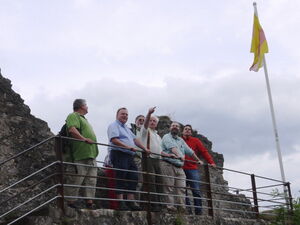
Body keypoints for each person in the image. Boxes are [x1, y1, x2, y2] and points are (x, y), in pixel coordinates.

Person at [107, 107, 150, 211]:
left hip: (129, 155)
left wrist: (144, 148)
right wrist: (127, 147)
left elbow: (135, 140)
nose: (125, 116)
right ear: (117, 115)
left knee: (134, 177)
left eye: (126, 114)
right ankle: (121, 202)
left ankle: (131, 201)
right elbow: (114, 140)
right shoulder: (114, 125)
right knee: (120, 176)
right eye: (123, 114)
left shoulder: (126, 128)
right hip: (119, 153)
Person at [160, 122, 203, 213]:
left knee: (181, 188)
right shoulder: (166, 137)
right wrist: (180, 155)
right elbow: (172, 148)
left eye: (177, 126)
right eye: (173, 126)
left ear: (179, 129)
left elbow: (189, 151)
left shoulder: (180, 140)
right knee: (169, 187)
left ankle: (181, 208)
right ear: (170, 128)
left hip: (179, 166)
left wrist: (198, 160)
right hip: (168, 164)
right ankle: (170, 208)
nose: (175, 127)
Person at [64, 99, 98, 209]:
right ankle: (70, 202)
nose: (87, 107)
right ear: (81, 106)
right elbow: (72, 130)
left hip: (91, 155)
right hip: (79, 155)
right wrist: (84, 139)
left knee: (91, 180)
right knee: (76, 178)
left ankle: (89, 203)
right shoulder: (73, 115)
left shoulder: (84, 119)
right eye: (86, 105)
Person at [182, 124, 216, 215]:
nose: (187, 130)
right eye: (186, 129)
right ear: (183, 131)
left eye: (189, 129)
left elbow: (204, 151)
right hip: (181, 168)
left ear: (191, 132)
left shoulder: (196, 140)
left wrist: (211, 162)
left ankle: (198, 212)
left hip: (192, 168)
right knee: (182, 190)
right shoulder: (179, 140)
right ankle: (188, 210)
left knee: (196, 191)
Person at [139, 107, 163, 211]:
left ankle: (159, 203)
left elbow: (160, 150)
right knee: (151, 181)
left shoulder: (158, 135)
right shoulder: (145, 130)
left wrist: (169, 155)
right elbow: (145, 124)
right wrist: (149, 113)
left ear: (157, 124)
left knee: (159, 181)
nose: (152, 122)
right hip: (148, 158)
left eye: (154, 121)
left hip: (158, 160)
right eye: (151, 120)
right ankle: (153, 205)